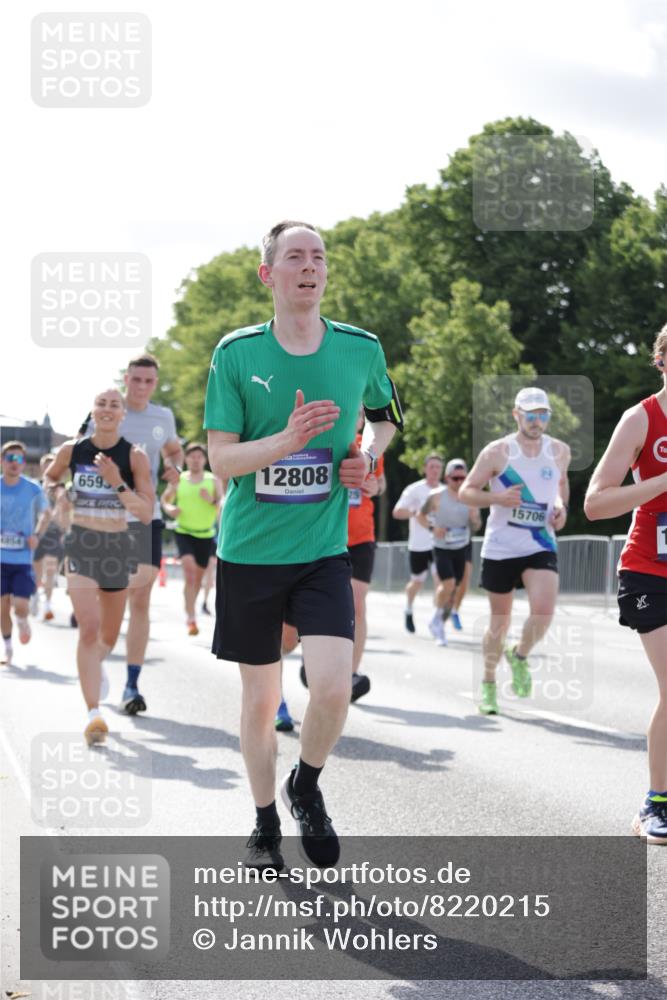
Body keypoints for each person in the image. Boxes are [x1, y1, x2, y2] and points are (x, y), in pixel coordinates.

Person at [205, 220, 401, 871]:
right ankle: (264, 821)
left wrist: (365, 460)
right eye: (294, 257)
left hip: (322, 550)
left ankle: (305, 785)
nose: (308, 265)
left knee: (333, 686)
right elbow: (222, 461)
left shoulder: (359, 348)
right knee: (261, 703)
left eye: (317, 256)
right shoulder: (235, 354)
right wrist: (286, 442)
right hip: (250, 554)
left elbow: (383, 420)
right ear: (268, 275)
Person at [584, 325, 667, 844]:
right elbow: (595, 502)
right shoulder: (641, 419)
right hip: (649, 571)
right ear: (663, 361)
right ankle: (656, 802)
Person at [46, 389, 154, 744]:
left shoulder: (133, 456)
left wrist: (116, 482)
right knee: (88, 630)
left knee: (108, 635)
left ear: (123, 414)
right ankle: (94, 713)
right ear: (93, 411)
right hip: (81, 542)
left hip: (117, 547)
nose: (107, 410)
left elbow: (144, 510)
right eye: (101, 404)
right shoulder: (72, 450)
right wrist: (59, 492)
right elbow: (50, 477)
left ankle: (97, 663)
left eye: (114, 405)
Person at [459, 388, 571, 715]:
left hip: (540, 542)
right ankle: (489, 683)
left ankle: (519, 655)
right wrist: (497, 498)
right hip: (501, 546)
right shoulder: (498, 452)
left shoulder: (560, 451)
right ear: (516, 414)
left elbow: (560, 489)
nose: (537, 422)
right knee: (499, 622)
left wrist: (561, 510)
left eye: (543, 415)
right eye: (531, 415)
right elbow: (466, 492)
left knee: (544, 611)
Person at [82, 354, 183, 714]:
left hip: (145, 517)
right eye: (136, 380)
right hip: (104, 521)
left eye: (148, 381)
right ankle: (96, 659)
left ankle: (132, 685)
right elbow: (81, 457)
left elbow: (174, 451)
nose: (141, 387)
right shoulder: (106, 413)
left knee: (140, 600)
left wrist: (175, 468)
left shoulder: (163, 416)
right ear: (126, 379)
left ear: (155, 383)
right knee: (106, 601)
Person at [278, 409, 387, 729]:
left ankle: (349, 674)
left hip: (358, 537)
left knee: (356, 601)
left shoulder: (372, 448)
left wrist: (371, 487)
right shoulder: (317, 440)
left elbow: (379, 486)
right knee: (286, 637)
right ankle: (280, 687)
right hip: (318, 540)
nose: (355, 417)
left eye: (360, 414)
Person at [417, 458, 481, 646]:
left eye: (463, 478)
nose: (460, 482)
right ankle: (439, 627)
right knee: (448, 584)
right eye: (455, 478)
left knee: (455, 589)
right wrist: (432, 528)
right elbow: (420, 516)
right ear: (447, 478)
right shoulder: (437, 495)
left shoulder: (471, 498)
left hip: (461, 546)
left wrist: (474, 518)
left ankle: (438, 620)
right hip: (442, 546)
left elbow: (476, 526)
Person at [160, 442, 222, 635]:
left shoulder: (213, 480)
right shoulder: (179, 479)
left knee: (197, 579)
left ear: (205, 460)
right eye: (192, 456)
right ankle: (191, 617)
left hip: (205, 534)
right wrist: (171, 509)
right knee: (189, 572)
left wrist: (210, 500)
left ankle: (191, 606)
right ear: (186, 459)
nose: (195, 460)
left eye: (199, 457)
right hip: (184, 531)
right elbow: (165, 500)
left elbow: (221, 502)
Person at [1, 441, 49, 664]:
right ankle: (8, 647)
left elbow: (45, 514)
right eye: (10, 458)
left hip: (22, 559)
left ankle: (22, 621)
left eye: (19, 459)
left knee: (20, 605)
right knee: (2, 607)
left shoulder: (32, 489)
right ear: (2, 461)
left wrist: (37, 535)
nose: (15, 463)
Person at [392, 454, 444, 633]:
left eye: (438, 467)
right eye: (432, 467)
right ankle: (408, 609)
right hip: (419, 544)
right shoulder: (414, 490)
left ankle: (437, 619)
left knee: (441, 580)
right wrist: (415, 512)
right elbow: (397, 512)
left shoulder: (446, 491)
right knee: (417, 582)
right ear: (425, 469)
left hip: (440, 544)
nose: (435, 470)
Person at [32, 454, 70, 621]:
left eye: (52, 465)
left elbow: (67, 514)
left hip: (54, 534)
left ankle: (47, 603)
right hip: (36, 533)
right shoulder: (35, 488)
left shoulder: (62, 490)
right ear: (42, 468)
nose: (50, 468)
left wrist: (65, 529)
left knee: (50, 569)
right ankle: (34, 596)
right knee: (37, 571)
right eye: (47, 465)